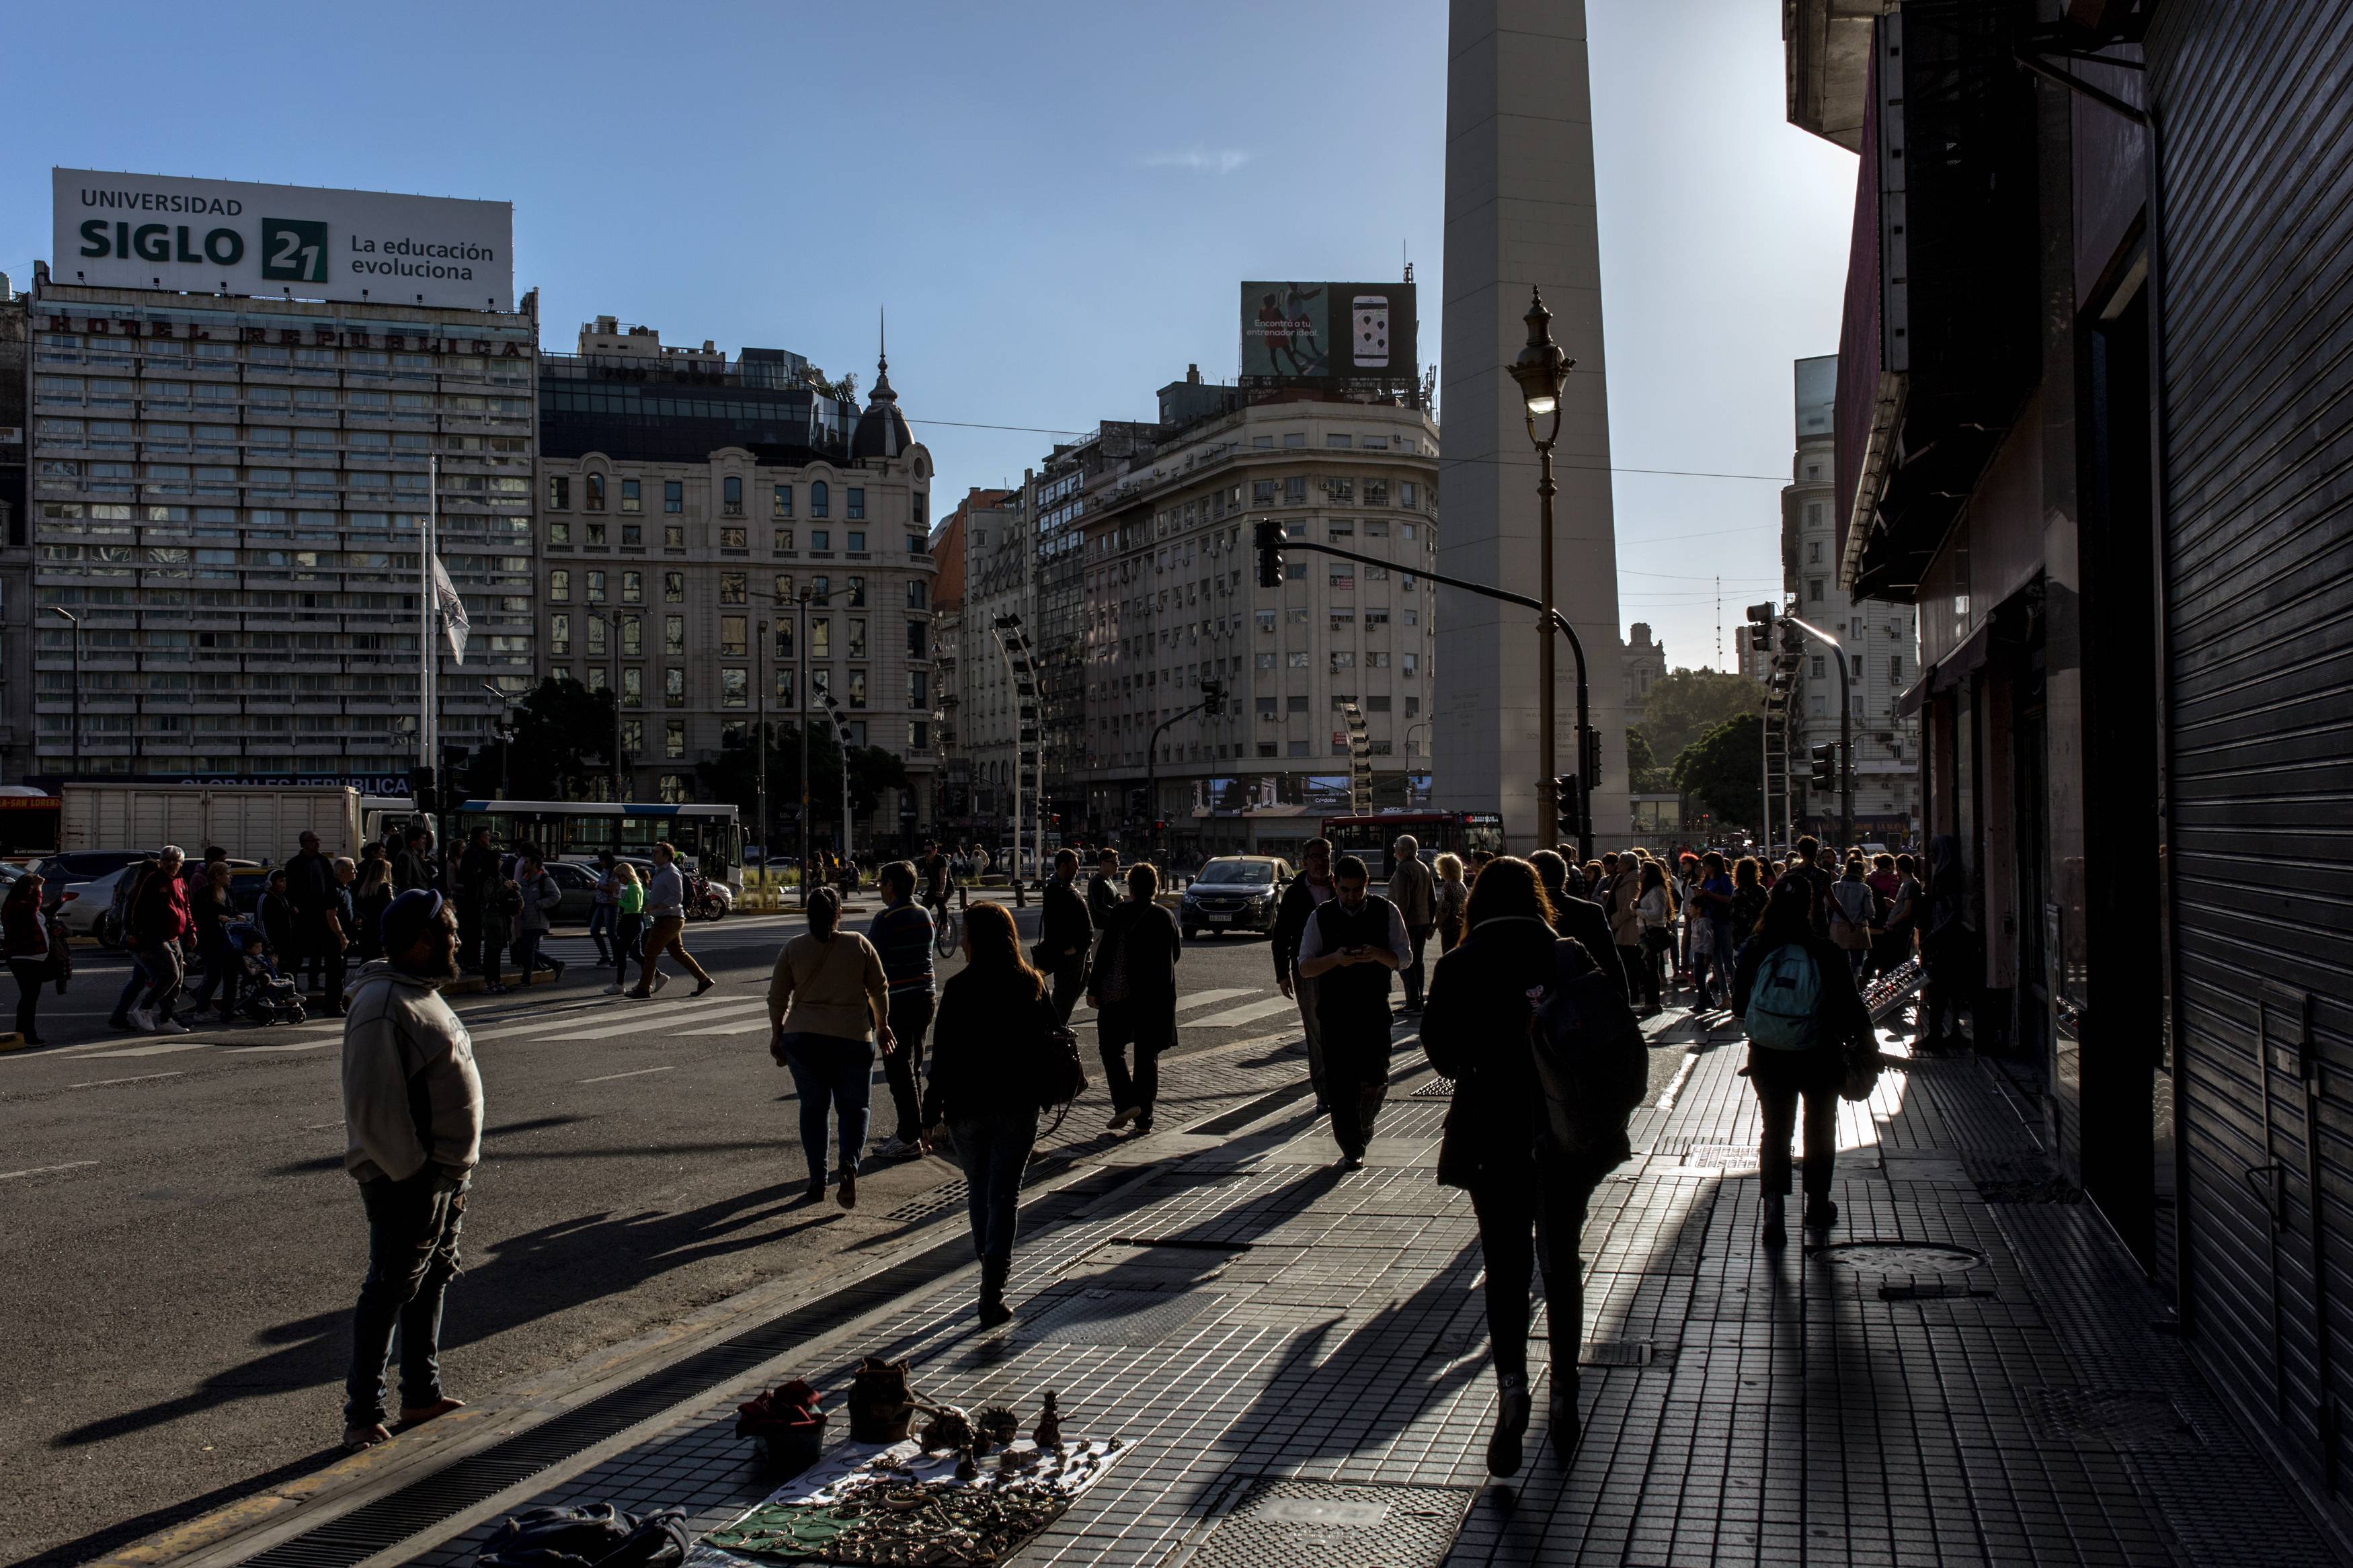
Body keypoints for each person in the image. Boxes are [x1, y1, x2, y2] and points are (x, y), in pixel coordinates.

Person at [1422, 855, 1638, 1472]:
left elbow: (1441, 1053)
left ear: (1479, 902)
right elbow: (1613, 1023)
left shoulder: (1460, 962)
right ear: (1539, 897)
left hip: (1491, 1133)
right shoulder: (1566, 953)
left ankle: (1512, 1389)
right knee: (1562, 1261)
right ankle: (1564, 1386)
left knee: (1505, 1265)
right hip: (1566, 1129)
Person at [340, 888, 481, 1454]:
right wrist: (415, 1172)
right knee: (390, 1288)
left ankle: (421, 1393)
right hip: (410, 1180)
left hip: (443, 1174)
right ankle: (363, 1413)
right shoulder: (382, 1003)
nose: (458, 940)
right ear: (422, 939)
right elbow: (374, 1104)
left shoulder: (419, 992)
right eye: (450, 931)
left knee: (431, 1279)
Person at [922, 901, 1058, 1327]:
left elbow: (943, 1056)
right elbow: (1052, 1040)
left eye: (965, 934)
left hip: (967, 1107)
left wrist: (929, 1113)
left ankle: (989, 1270)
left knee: (979, 1189)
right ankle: (992, 1288)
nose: (962, 941)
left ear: (975, 940)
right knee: (1005, 1195)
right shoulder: (1031, 983)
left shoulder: (959, 988)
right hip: (1017, 1104)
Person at [1732, 874, 1873, 1245]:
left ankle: (1773, 1211)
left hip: (1768, 1056)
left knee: (1776, 1129)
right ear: (1810, 907)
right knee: (1820, 1126)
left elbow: (1739, 1006)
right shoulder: (1825, 951)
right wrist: (1866, 1045)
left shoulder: (1756, 948)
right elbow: (1850, 1007)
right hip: (1819, 1053)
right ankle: (1818, 1204)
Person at [767, 885, 891, 1208]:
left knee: (813, 1109)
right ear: (839, 914)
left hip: (804, 1039)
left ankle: (817, 1180)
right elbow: (879, 989)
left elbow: (777, 997)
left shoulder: (794, 948)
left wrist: (777, 1034)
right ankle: (848, 1165)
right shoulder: (859, 944)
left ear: (809, 915)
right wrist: (882, 1027)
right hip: (853, 1038)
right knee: (855, 1108)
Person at [1295, 854, 1410, 1169]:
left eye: (1357, 890)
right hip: (1335, 1011)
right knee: (1341, 1082)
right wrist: (1335, 959)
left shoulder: (1387, 911)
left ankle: (1363, 1126)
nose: (1351, 896)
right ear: (1335, 885)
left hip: (1374, 1009)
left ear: (1367, 884)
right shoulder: (1321, 917)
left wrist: (1378, 955)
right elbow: (1305, 966)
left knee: (1376, 1075)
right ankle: (1351, 1146)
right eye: (1345, 890)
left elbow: (1404, 957)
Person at [1088, 860, 1182, 1133]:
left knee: (1110, 1049)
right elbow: (1175, 955)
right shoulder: (1166, 916)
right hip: (1155, 998)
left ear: (1130, 888)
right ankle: (1144, 1119)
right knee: (1146, 1055)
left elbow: (1105, 954)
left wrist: (1094, 988)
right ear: (1155, 888)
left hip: (1121, 996)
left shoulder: (1121, 913)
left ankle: (1126, 1102)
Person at [867, 861, 937, 1159]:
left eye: (882, 883)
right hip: (925, 997)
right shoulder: (924, 914)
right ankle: (915, 1131)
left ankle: (908, 1136)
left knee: (898, 1070)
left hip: (898, 1000)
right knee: (913, 1067)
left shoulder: (886, 919)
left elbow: (871, 964)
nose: (881, 889)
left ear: (891, 886)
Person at [1270, 837, 1340, 1111]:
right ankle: (1325, 1093)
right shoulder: (1295, 893)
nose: (1321, 861)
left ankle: (1342, 1085)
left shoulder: (1341, 887)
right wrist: (1282, 974)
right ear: (1305, 861)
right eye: (1315, 856)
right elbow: (1281, 936)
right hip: (1307, 971)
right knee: (1317, 1032)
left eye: (1325, 855)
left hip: (1340, 968)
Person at [629, 841, 715, 999]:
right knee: (678, 953)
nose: (653, 855)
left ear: (667, 856)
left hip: (669, 919)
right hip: (666, 918)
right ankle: (704, 980)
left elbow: (677, 897)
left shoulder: (672, 873)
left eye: (657, 852)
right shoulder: (660, 871)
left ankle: (644, 988)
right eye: (653, 852)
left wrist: (656, 906)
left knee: (650, 952)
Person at [126, 845, 193, 1034]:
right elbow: (135, 909)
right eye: (166, 860)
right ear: (161, 862)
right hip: (154, 936)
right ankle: (144, 1008)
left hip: (174, 936)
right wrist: (134, 933)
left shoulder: (180, 881)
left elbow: (186, 908)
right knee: (170, 974)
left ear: (181, 863)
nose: (170, 864)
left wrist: (191, 931)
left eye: (175, 861)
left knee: (178, 979)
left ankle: (166, 1019)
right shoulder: (153, 880)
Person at [1918, 835, 1970, 1047]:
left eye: (1932, 851)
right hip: (1952, 939)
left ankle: (1935, 1033)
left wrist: (1935, 935)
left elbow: (1954, 911)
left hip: (1944, 940)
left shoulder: (1944, 876)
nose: (1929, 855)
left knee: (1937, 988)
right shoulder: (1954, 874)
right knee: (1953, 987)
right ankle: (1953, 1031)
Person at [1531, 850, 1616, 972]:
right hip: (1584, 978)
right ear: (1564, 878)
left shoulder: (1524, 912)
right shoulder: (1592, 911)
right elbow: (1611, 962)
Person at [1039, 848, 1093, 1024]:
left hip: (1080, 950)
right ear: (1063, 866)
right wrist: (1069, 947)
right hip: (1071, 953)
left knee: (1076, 988)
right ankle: (1055, 1028)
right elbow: (1055, 923)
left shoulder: (1066, 886)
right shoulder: (1056, 889)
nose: (1078, 869)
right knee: (1065, 994)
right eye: (1075, 865)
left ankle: (1057, 1025)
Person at [184, 860, 243, 1022]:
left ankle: (228, 1009)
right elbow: (197, 913)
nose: (230, 877)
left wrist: (238, 915)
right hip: (212, 940)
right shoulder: (204, 893)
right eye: (228, 874)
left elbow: (234, 908)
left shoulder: (229, 892)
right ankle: (201, 1009)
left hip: (230, 940)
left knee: (232, 976)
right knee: (213, 976)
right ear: (217, 876)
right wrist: (216, 917)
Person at [1387, 833, 1436, 1014]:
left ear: (1401, 850)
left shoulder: (1403, 870)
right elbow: (1432, 899)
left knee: (1405, 962)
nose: (1394, 850)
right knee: (1418, 962)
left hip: (1408, 923)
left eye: (1396, 847)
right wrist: (1430, 923)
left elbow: (1402, 902)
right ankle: (1418, 1000)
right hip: (1423, 921)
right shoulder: (1423, 867)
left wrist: (1395, 925)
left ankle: (1412, 1002)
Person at [4, 872, 52, 1044]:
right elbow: (31, 910)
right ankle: (27, 1035)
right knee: (29, 998)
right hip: (24, 957)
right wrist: (39, 888)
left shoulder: (21, 904)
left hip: (33, 957)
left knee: (30, 997)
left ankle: (24, 1033)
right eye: (32, 889)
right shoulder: (18, 905)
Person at [511, 853, 567, 990]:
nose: (524, 865)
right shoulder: (524, 880)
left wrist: (540, 904)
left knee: (528, 949)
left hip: (538, 920)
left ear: (535, 864)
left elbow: (556, 895)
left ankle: (526, 979)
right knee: (527, 949)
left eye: (527, 862)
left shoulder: (544, 880)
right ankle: (555, 964)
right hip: (526, 920)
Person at [1688, 852, 1736, 1007]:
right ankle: (1725, 997)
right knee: (1716, 961)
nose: (1704, 867)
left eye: (1706, 864)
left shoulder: (1724, 878)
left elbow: (1729, 899)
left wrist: (1710, 894)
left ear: (1714, 865)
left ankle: (1740, 993)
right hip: (1709, 921)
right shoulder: (1707, 880)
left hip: (1722, 921)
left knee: (1728, 960)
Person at [454, 827, 501, 975]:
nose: (489, 838)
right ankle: (472, 962)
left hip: (477, 897)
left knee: (476, 933)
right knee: (473, 933)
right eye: (486, 835)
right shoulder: (473, 854)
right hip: (474, 898)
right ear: (479, 837)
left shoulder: (479, 853)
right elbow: (471, 877)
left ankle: (474, 961)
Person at [1826, 856, 1878, 978]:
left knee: (1840, 962)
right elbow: (1870, 913)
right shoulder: (1865, 889)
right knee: (1857, 962)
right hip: (1858, 929)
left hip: (1837, 929)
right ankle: (1854, 982)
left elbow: (1827, 905)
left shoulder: (1835, 886)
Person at [1634, 860, 1673, 1017]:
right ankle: (1651, 1002)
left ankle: (1653, 1003)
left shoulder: (1657, 891)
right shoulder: (1648, 890)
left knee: (1650, 969)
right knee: (1647, 968)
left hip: (1653, 931)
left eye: (1643, 871)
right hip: (1645, 932)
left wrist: (1639, 911)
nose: (1640, 874)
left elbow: (1657, 914)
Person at [604, 862, 646, 993]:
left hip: (631, 922)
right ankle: (656, 975)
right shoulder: (636, 885)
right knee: (636, 954)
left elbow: (635, 906)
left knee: (621, 953)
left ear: (626, 875)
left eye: (620, 877)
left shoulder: (633, 887)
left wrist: (619, 902)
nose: (619, 880)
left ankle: (620, 984)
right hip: (635, 922)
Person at [353, 849, 395, 965]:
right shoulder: (385, 887)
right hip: (381, 927)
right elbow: (391, 907)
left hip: (368, 927)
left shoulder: (366, 888)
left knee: (368, 957)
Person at [586, 850, 620, 967]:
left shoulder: (615, 872)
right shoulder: (605, 871)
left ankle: (617, 957)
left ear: (607, 860)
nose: (600, 863)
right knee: (594, 930)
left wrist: (596, 885)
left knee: (611, 933)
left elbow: (611, 889)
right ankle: (605, 956)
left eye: (602, 861)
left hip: (610, 904)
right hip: (601, 903)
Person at [1433, 853, 1469, 953]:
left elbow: (1445, 911)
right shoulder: (1461, 885)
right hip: (1460, 927)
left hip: (1449, 928)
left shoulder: (1448, 886)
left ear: (1446, 870)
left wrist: (1433, 927)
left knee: (1448, 954)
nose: (1439, 871)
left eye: (1440, 868)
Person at [1086, 846, 1122, 933]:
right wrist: (1118, 913)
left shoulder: (1108, 879)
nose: (1117, 865)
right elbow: (1099, 906)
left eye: (1118, 862)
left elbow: (1114, 894)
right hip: (1100, 929)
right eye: (1113, 862)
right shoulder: (1097, 881)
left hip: (1107, 927)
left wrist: (1119, 897)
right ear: (1103, 863)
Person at [394, 825, 436, 893]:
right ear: (413, 840)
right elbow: (405, 884)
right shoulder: (405, 856)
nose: (425, 842)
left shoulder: (414, 854)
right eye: (423, 839)